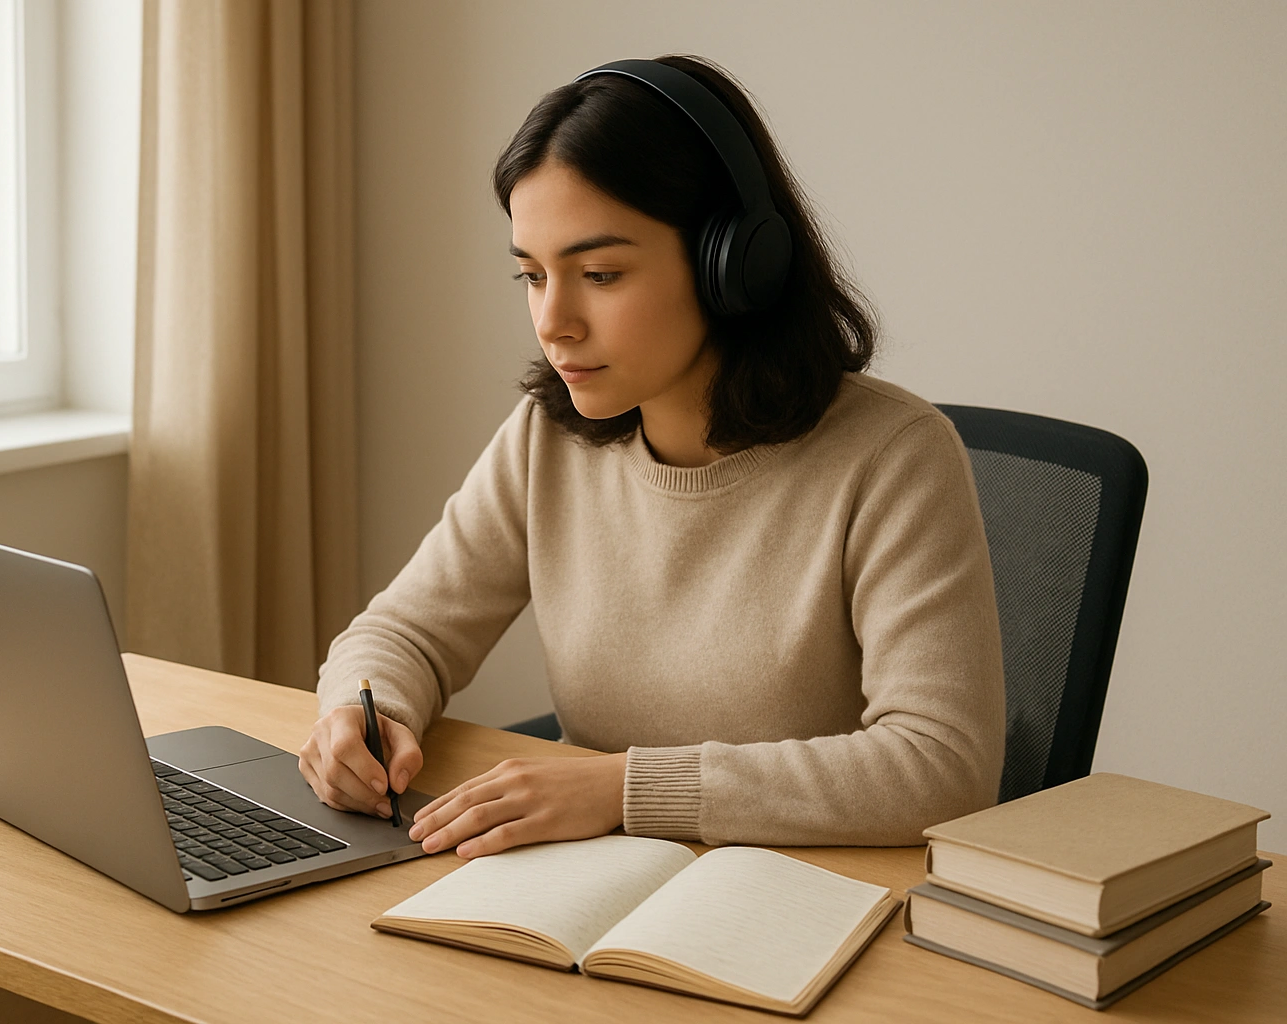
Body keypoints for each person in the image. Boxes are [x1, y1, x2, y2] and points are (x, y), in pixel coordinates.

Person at [298, 55, 1005, 859]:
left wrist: (622, 790)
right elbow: (408, 631)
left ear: (732, 265)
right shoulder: (547, 435)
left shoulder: (894, 458)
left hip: (809, 900)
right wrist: (361, 713)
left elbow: (943, 766)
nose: (553, 321)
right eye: (532, 276)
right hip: (595, 885)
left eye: (599, 273)